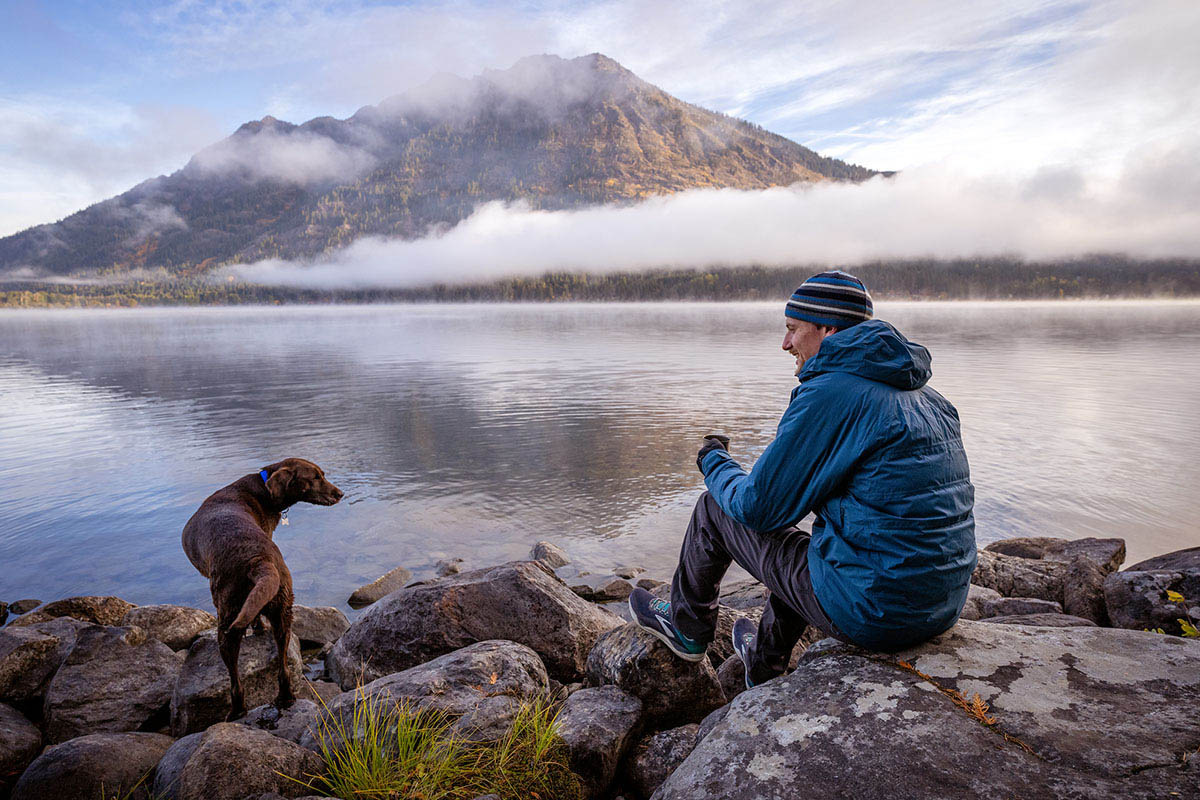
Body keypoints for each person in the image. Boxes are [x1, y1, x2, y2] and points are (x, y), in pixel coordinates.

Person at [628, 270, 976, 688]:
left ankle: (686, 629)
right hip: (941, 605)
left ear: (827, 329)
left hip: (878, 615)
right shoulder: (928, 398)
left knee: (714, 509)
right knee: (818, 542)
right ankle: (763, 661)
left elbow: (758, 508)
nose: (785, 344)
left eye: (793, 330)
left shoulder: (833, 393)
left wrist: (714, 460)